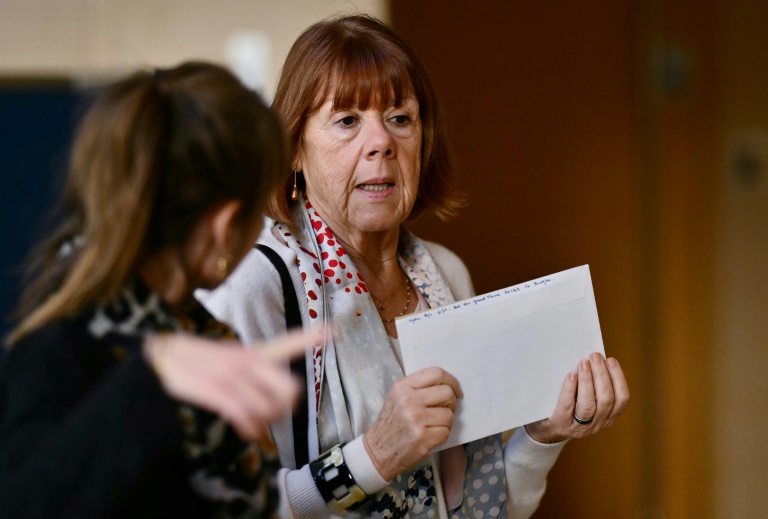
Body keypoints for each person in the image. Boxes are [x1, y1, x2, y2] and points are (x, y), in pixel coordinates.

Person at [200, 14, 630, 519]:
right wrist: (373, 457)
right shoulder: (256, 288)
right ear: (294, 147)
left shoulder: (444, 273)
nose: (381, 142)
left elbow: (477, 507)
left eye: (400, 118)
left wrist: (543, 436)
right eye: (347, 121)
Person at [0, 61, 325, 518]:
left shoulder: (203, 334)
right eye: (259, 215)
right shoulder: (56, 352)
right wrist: (154, 379)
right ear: (225, 228)